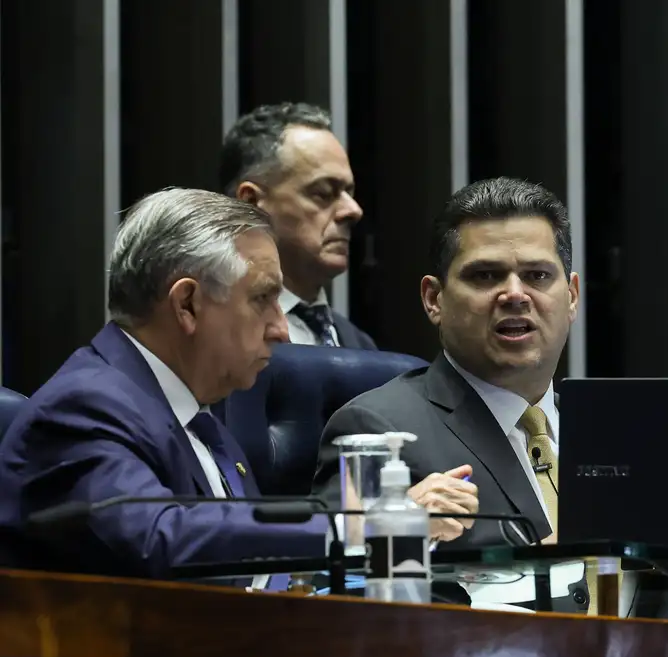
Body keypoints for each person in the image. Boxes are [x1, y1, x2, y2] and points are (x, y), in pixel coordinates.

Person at [0, 188, 326, 582]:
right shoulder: (84, 408)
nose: (282, 330)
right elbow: (160, 539)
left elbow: (250, 570)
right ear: (186, 304)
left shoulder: (202, 419)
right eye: (262, 298)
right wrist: (350, 532)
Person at [316, 176, 578, 555]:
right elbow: (341, 585)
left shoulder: (614, 432)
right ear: (434, 299)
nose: (515, 295)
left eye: (537, 275)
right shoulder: (378, 433)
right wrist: (402, 530)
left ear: (571, 296)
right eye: (485, 275)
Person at [220, 102, 376, 350]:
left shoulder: (362, 347)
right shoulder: (213, 335)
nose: (353, 210)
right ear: (251, 203)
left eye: (349, 192)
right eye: (324, 193)